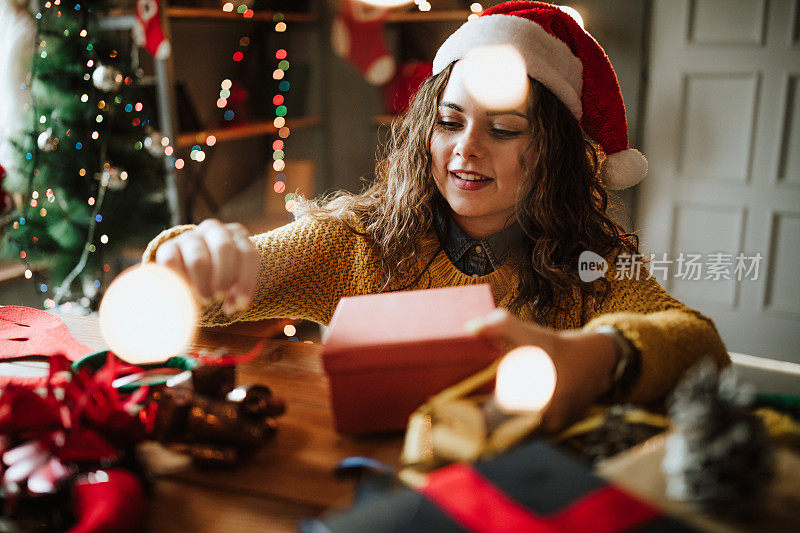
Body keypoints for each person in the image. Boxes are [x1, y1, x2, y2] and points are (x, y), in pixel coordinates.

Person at [145, 1, 728, 432]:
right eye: (449, 123)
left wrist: (601, 355)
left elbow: (702, 347)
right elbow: (193, 300)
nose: (465, 149)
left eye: (502, 130)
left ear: (554, 154)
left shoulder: (594, 267)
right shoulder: (357, 242)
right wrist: (192, 261)